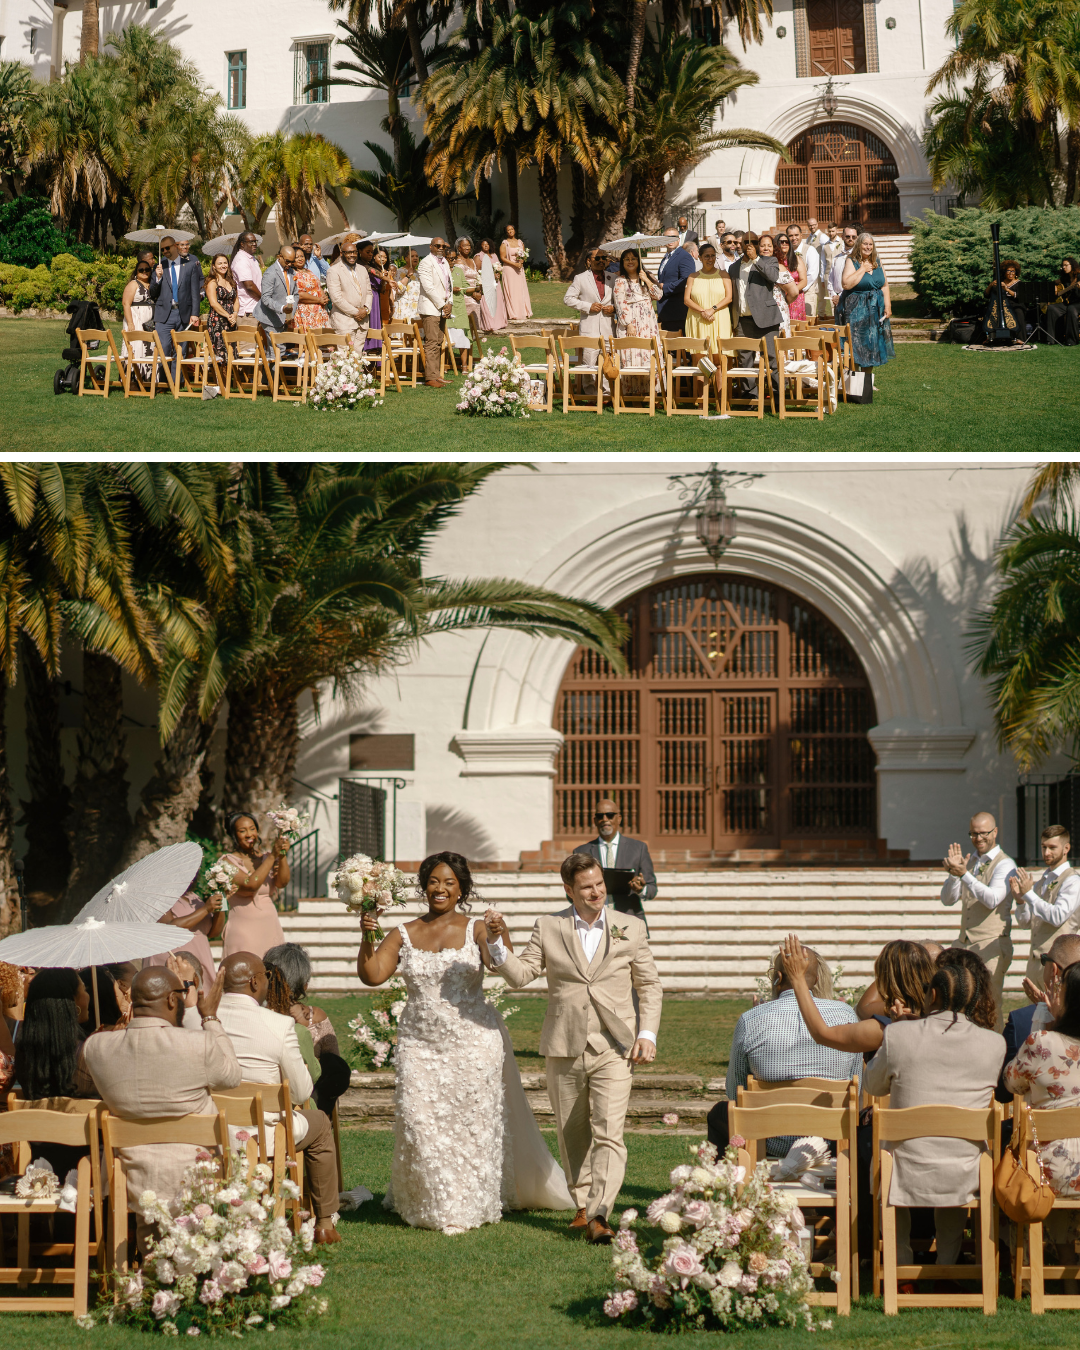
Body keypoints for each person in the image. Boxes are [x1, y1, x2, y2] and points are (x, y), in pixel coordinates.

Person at [358, 851, 573, 1234]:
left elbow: (497, 964)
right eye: (433, 881)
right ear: (424, 886)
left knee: (471, 1125)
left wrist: (497, 932)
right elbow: (373, 974)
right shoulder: (403, 932)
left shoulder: (476, 927)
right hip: (419, 1044)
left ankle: (468, 1203)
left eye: (449, 883)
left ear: (461, 889)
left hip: (474, 1044)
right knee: (418, 1121)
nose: (440, 889)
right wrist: (366, 935)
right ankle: (429, 1200)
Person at [487, 852, 662, 1244]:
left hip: (616, 1046)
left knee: (609, 1133)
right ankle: (582, 1205)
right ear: (569, 890)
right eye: (587, 887)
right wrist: (497, 944)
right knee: (571, 1132)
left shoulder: (630, 927)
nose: (596, 892)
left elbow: (649, 985)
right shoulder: (548, 926)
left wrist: (646, 1034)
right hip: (563, 1044)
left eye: (599, 884)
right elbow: (521, 975)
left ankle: (600, 1214)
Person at [85, 964, 241, 1251]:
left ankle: (153, 1266)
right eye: (182, 991)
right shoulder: (199, 1043)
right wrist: (209, 1017)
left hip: (133, 1174)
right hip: (197, 1172)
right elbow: (232, 1077)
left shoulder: (96, 1048)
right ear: (172, 1000)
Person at [863, 958, 1005, 1272]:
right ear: (973, 999)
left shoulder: (899, 1035)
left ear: (934, 996)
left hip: (904, 1165)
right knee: (959, 1154)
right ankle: (947, 1268)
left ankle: (901, 1268)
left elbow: (873, 1084)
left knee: (888, 1156)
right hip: (965, 1169)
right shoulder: (994, 1044)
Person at [216, 953, 341, 1243]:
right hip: (267, 1135)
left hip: (213, 1132)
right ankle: (324, 1222)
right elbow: (299, 1092)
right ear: (254, 981)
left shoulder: (197, 1018)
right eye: (266, 976)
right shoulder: (278, 1025)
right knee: (320, 1122)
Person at [712, 945, 861, 1158]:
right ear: (817, 980)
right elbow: (858, 1085)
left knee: (720, 1112)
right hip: (830, 1141)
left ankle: (726, 1185)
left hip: (768, 1140)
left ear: (777, 977)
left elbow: (735, 1091)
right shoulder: (846, 1014)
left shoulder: (751, 1019)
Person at [1006, 960, 1080, 1260]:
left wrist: (1048, 1028)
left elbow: (1012, 1083)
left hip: (1053, 1172)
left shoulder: (1042, 1043)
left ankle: (1026, 1274)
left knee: (1025, 1162)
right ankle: (1069, 1275)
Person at [780, 934, 935, 1058]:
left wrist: (798, 978)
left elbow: (822, 1034)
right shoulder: (943, 1017)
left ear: (884, 976)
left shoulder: (883, 1029)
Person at [939, 810, 1016, 1017]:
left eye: (984, 833)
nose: (978, 838)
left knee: (989, 1007)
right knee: (958, 1004)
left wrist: (964, 874)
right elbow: (947, 900)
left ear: (995, 832)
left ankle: (998, 1048)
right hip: (965, 943)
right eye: (973, 833)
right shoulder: (970, 861)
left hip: (991, 944)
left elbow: (992, 899)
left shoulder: (1006, 863)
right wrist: (955, 876)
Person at [263, 942, 351, 1120]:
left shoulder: (256, 1015)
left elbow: (334, 1065)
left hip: (282, 1100)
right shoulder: (312, 1018)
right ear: (304, 985)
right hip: (290, 1102)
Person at [998, 933, 1080, 1100]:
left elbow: (1004, 1092)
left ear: (1053, 970)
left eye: (1044, 961)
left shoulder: (1034, 1035)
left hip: (1044, 1126)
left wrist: (1049, 1024)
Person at [1011, 823, 1080, 987]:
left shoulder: (1073, 880)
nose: (1046, 852)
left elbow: (1057, 917)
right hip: (1035, 962)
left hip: (1060, 963)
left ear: (1066, 848)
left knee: (1056, 1012)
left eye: (1052, 847)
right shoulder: (1042, 881)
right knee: (1035, 1012)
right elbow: (1026, 922)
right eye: (1043, 847)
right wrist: (1021, 901)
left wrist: (1029, 895)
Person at [220, 811, 289, 960]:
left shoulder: (265, 858)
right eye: (242, 831)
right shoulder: (227, 862)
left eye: (252, 829)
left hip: (269, 925)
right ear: (234, 835)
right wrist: (272, 856)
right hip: (243, 928)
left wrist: (281, 855)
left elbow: (282, 883)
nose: (249, 834)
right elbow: (250, 885)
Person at [13, 968, 89, 1100]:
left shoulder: (23, 1054)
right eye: (84, 989)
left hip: (32, 1120)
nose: (88, 995)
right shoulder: (86, 1054)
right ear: (71, 1003)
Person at [579, 798, 657, 923]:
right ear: (595, 821)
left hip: (630, 922)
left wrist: (641, 889)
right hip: (593, 923)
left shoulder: (638, 848)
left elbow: (652, 889)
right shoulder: (581, 852)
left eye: (610, 815)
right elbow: (571, 894)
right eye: (600, 816)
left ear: (619, 818)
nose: (605, 819)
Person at [728, 233, 782, 394]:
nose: (749, 244)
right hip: (743, 321)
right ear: (740, 245)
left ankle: (778, 395)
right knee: (745, 361)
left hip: (767, 319)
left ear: (758, 244)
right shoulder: (734, 267)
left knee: (772, 359)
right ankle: (750, 398)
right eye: (745, 242)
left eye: (753, 242)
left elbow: (773, 277)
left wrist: (756, 259)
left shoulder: (769, 261)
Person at [837, 231, 894, 386]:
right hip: (856, 310)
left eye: (870, 244)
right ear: (859, 245)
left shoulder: (878, 261)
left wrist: (887, 305)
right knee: (856, 345)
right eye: (865, 244)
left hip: (875, 310)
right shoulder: (851, 261)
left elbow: (884, 284)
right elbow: (846, 284)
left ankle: (867, 384)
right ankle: (854, 384)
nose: (868, 247)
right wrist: (862, 268)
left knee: (871, 345)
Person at [146, 869, 226, 979]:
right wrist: (206, 909)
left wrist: (220, 904)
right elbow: (171, 926)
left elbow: (213, 932)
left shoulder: (193, 897)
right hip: (176, 961)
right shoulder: (160, 898)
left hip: (200, 957)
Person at [148, 235, 202, 381]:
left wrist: (195, 313)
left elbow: (194, 292)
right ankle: (163, 381)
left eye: (167, 248)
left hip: (183, 313)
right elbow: (152, 293)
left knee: (181, 349)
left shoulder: (189, 265)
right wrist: (157, 278)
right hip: (164, 314)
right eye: (162, 249)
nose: (164, 251)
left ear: (175, 246)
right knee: (163, 348)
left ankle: (176, 381)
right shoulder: (159, 266)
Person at [563, 250, 616, 392]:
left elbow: (622, 301)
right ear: (588, 261)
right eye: (597, 258)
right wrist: (587, 306)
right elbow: (568, 299)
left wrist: (614, 308)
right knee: (589, 363)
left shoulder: (614, 278)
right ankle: (591, 394)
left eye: (604, 258)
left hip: (608, 328)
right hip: (589, 328)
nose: (601, 260)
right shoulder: (580, 278)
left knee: (608, 361)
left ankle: (607, 394)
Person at [611, 248, 662, 395]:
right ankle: (632, 393)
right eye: (626, 259)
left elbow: (658, 295)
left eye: (633, 258)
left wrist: (646, 279)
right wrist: (628, 324)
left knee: (648, 353)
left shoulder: (647, 277)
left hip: (647, 322)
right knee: (631, 355)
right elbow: (620, 304)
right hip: (630, 323)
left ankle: (651, 392)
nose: (630, 261)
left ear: (639, 260)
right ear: (623, 263)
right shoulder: (620, 281)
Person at [418, 237, 454, 388]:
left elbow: (449, 285)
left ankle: (436, 375)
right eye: (437, 246)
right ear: (431, 247)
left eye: (443, 246)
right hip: (431, 308)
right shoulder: (425, 263)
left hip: (443, 306)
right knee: (432, 342)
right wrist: (443, 305)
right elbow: (429, 288)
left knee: (439, 341)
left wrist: (450, 302)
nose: (441, 248)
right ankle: (430, 377)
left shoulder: (444, 262)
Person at [328, 238, 372, 354]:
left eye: (354, 252)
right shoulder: (333, 271)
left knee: (358, 358)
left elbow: (368, 292)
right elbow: (336, 298)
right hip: (344, 321)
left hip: (362, 322)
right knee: (345, 359)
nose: (352, 255)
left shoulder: (362, 269)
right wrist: (356, 312)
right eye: (348, 252)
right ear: (342, 254)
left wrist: (366, 309)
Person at [656, 228, 696, 333]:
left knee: (679, 347)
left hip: (678, 311)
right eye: (667, 237)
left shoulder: (684, 256)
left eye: (673, 237)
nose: (670, 240)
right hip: (666, 311)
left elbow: (686, 280)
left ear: (678, 239)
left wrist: (664, 287)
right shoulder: (666, 258)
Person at [253, 243, 299, 336]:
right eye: (287, 261)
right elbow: (265, 298)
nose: (290, 264)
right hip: (270, 317)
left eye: (292, 262)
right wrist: (282, 309)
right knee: (278, 348)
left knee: (281, 348)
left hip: (285, 317)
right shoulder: (270, 273)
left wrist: (290, 314)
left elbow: (295, 294)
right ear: (279, 257)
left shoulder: (291, 272)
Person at [120, 258, 155, 380]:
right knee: (136, 347)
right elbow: (126, 304)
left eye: (147, 269)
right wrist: (130, 323)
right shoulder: (133, 284)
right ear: (136, 272)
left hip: (149, 324)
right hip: (135, 320)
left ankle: (147, 378)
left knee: (148, 347)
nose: (144, 272)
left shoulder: (152, 284)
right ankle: (132, 378)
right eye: (141, 270)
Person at [203, 253, 238, 364]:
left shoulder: (231, 281)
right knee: (220, 354)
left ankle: (230, 380)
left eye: (225, 263)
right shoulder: (212, 282)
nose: (223, 266)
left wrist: (235, 314)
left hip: (231, 321)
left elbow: (236, 300)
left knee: (232, 352)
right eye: (220, 263)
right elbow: (213, 303)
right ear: (214, 266)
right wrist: (228, 315)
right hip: (218, 321)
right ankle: (221, 381)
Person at [982, 259, 1026, 344]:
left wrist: (1007, 289)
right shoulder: (999, 282)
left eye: (1013, 271)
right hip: (1001, 305)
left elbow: (1020, 297)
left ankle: (1020, 338)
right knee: (989, 310)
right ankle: (990, 337)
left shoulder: (1019, 283)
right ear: (1004, 272)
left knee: (1019, 312)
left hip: (1015, 305)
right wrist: (991, 285)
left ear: (1016, 272)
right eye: (1008, 271)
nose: (1010, 273)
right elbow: (986, 295)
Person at [291, 240, 330, 332]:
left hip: (319, 311)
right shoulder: (292, 274)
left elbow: (318, 286)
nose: (300, 259)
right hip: (305, 312)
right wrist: (319, 300)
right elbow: (299, 294)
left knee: (324, 342)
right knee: (309, 342)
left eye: (302, 256)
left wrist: (324, 298)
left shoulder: (308, 271)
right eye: (297, 257)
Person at [768, 234, 801, 336]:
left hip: (784, 300)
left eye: (786, 242)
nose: (784, 244)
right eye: (781, 242)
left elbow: (795, 290)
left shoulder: (779, 267)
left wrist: (784, 300)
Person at [499, 224, 532, 320]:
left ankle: (524, 311)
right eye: (508, 230)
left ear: (514, 230)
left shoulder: (520, 242)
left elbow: (524, 254)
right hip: (509, 269)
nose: (510, 231)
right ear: (506, 232)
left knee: (520, 289)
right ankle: (513, 313)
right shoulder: (504, 243)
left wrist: (522, 260)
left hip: (519, 269)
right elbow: (502, 258)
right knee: (512, 290)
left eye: (511, 229)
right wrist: (514, 264)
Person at [787, 222, 819, 320]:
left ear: (801, 235)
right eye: (791, 236)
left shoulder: (810, 250)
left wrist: (797, 289)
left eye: (796, 235)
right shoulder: (786, 252)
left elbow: (812, 274)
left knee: (806, 323)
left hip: (806, 293)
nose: (794, 238)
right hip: (789, 295)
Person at [1046, 257, 1080, 346]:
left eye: (1066, 265)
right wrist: (1054, 287)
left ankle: (1071, 340)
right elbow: (1053, 283)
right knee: (1052, 308)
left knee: (1072, 309)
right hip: (1068, 304)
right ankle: (1053, 339)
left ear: (1072, 266)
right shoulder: (1065, 278)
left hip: (1078, 303)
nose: (1064, 267)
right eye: (1063, 265)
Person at [365, 245, 393, 351]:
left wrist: (384, 280)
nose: (383, 259)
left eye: (385, 257)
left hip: (379, 301)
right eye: (380, 256)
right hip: (371, 299)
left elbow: (382, 290)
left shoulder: (384, 271)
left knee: (379, 326)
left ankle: (378, 352)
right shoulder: (370, 269)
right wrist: (382, 276)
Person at [230, 232, 263, 318]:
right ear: (242, 244)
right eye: (251, 242)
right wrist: (264, 299)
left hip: (256, 309)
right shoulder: (241, 260)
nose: (255, 244)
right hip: (248, 312)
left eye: (255, 241)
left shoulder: (251, 258)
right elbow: (249, 286)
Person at [476, 238, 507, 332]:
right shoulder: (478, 256)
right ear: (480, 246)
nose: (486, 246)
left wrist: (498, 273)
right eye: (484, 244)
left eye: (487, 244)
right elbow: (477, 271)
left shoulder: (494, 255)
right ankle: (490, 325)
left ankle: (499, 323)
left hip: (496, 283)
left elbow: (498, 266)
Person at [828, 225, 858, 314]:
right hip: (837, 301)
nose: (850, 239)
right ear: (842, 237)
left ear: (857, 238)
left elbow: (856, 281)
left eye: (853, 237)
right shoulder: (836, 258)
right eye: (848, 236)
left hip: (853, 299)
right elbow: (830, 280)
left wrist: (840, 296)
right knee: (838, 327)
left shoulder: (859, 259)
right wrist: (834, 295)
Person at [393, 250, 422, 325]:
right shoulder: (400, 271)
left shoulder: (418, 273)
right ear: (406, 258)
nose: (415, 258)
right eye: (412, 256)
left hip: (416, 309)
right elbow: (398, 290)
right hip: (404, 308)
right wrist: (408, 275)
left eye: (416, 256)